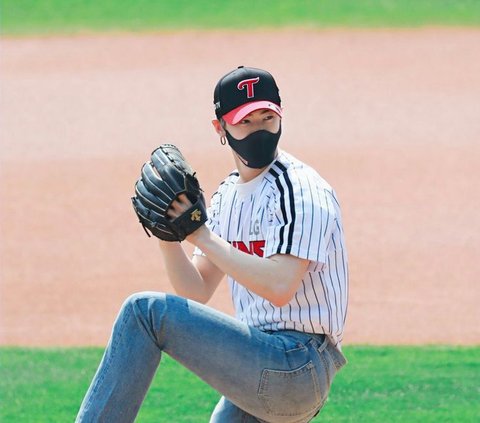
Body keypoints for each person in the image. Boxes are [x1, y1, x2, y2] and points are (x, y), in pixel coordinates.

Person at [76, 66, 349, 423]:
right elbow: (196, 290)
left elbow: (280, 286)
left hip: (298, 364)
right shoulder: (226, 197)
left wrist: (199, 233)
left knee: (144, 313)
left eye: (267, 118)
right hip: (257, 364)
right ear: (220, 128)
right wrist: (169, 237)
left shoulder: (300, 189)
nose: (259, 129)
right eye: (246, 121)